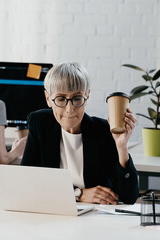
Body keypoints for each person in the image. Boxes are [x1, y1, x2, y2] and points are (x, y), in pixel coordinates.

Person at [21, 62, 139, 204]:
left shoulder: (103, 131)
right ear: (48, 98)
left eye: (77, 98)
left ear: (87, 96)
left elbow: (129, 197)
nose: (70, 109)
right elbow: (27, 182)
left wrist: (122, 147)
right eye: (61, 99)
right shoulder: (40, 124)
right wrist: (78, 194)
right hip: (52, 213)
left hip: (94, 218)